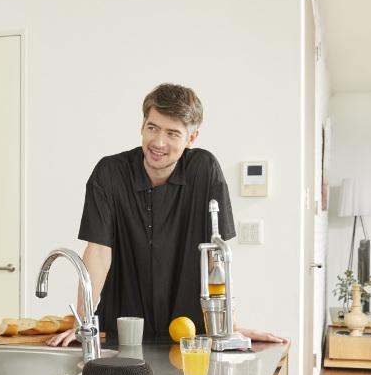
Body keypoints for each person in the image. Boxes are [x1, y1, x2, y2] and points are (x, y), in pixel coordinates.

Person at [48, 83, 286, 346]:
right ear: (142, 126)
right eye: (152, 128)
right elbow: (98, 253)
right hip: (122, 331)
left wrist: (229, 325)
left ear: (191, 138)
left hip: (193, 336)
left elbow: (215, 257)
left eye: (172, 133)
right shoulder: (109, 174)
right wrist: (82, 322)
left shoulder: (204, 170)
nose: (158, 142)